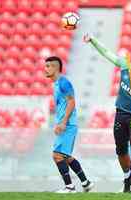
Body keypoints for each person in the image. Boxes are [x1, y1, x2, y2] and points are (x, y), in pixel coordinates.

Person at [83, 34, 131, 193]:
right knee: (121, 150)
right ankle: (128, 176)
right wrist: (93, 40)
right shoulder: (125, 66)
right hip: (120, 114)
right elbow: (107, 53)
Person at [44, 56, 94, 193]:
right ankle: (86, 182)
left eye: (48, 66)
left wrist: (64, 122)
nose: (45, 69)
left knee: (57, 155)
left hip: (69, 124)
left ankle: (70, 187)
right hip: (66, 124)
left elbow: (72, 102)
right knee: (66, 156)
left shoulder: (63, 83)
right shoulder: (56, 84)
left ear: (55, 67)